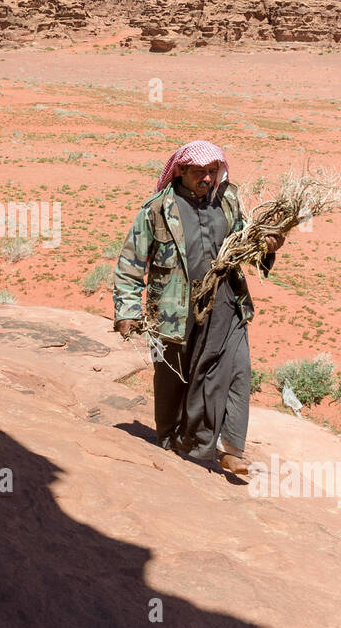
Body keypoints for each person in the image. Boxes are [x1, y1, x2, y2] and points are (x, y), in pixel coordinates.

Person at [112, 140, 281, 475]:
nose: (207, 179)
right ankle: (175, 442)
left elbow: (247, 250)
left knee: (237, 370)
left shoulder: (228, 202)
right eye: (200, 172)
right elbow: (131, 262)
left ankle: (230, 449)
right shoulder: (158, 210)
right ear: (181, 171)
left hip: (226, 303)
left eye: (212, 171)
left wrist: (268, 247)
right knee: (175, 380)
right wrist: (127, 310)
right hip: (173, 310)